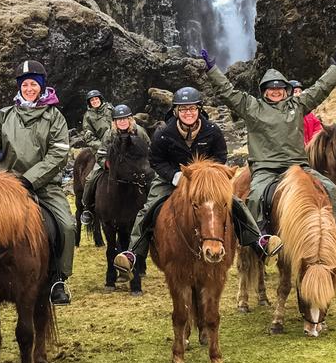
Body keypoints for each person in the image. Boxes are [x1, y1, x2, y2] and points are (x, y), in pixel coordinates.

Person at [203, 48, 336, 253]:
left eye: (280, 88)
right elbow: (228, 92)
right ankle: (262, 236)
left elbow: (320, 89)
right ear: (264, 90)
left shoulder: (298, 104)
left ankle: (335, 231)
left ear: (286, 90)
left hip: (297, 165)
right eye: (271, 88)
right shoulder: (251, 107)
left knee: (331, 188)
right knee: (256, 195)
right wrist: (212, 70)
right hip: (266, 168)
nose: (275, 91)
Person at [114, 86, 272, 282]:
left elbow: (221, 157)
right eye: (183, 109)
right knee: (149, 208)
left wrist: (208, 176)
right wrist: (175, 176)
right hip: (172, 179)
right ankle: (133, 253)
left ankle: (258, 240)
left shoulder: (212, 131)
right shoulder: (163, 133)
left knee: (234, 202)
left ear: (199, 109)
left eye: (192, 109)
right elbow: (156, 160)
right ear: (176, 112)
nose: (188, 113)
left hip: (205, 181)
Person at [0, 59, 76, 305]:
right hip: (7, 183)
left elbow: (58, 155)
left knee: (67, 225)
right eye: (25, 85)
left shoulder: (54, 116)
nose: (29, 89)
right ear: (19, 87)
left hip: (44, 185)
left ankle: (59, 277)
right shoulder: (5, 115)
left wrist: (30, 180)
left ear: (41, 86)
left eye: (33, 85)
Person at [79, 104, 150, 227]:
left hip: (135, 167)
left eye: (125, 118)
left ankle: (152, 207)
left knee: (151, 180)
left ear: (130, 119)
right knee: (90, 179)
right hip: (112, 166)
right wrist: (107, 164)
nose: (122, 122)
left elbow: (149, 150)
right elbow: (100, 153)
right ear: (114, 122)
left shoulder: (140, 131)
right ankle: (87, 208)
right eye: (119, 119)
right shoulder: (109, 134)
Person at [290, 80, 324, 145]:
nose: (298, 94)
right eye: (295, 92)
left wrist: (313, 143)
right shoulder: (287, 115)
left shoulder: (310, 114)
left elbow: (318, 129)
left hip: (311, 149)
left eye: (300, 91)